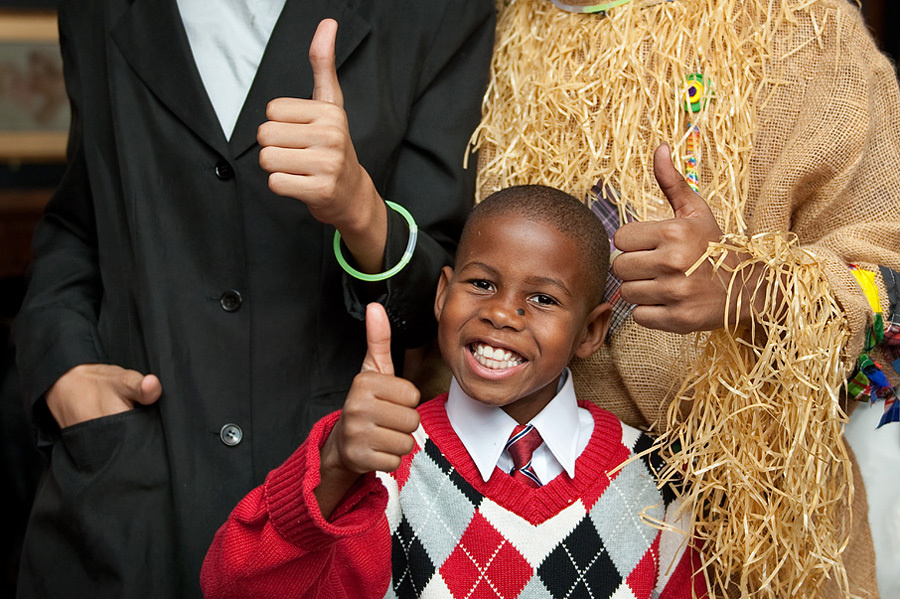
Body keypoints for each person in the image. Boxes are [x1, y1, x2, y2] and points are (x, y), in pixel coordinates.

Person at [12, 2, 494, 597]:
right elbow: (80, 219)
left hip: (323, 491)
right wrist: (62, 371)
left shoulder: (439, 14)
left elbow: (440, 300)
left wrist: (360, 210)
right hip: (125, 495)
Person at [471, 0, 900, 597]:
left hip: (755, 539)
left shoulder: (804, 24)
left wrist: (756, 287)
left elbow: (892, 299)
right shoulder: (508, 23)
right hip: (517, 525)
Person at [200, 184, 708, 599]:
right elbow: (232, 587)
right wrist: (333, 465)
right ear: (442, 295)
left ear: (591, 332)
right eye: (483, 284)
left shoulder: (656, 479)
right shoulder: (379, 461)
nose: (503, 313)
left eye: (542, 298)